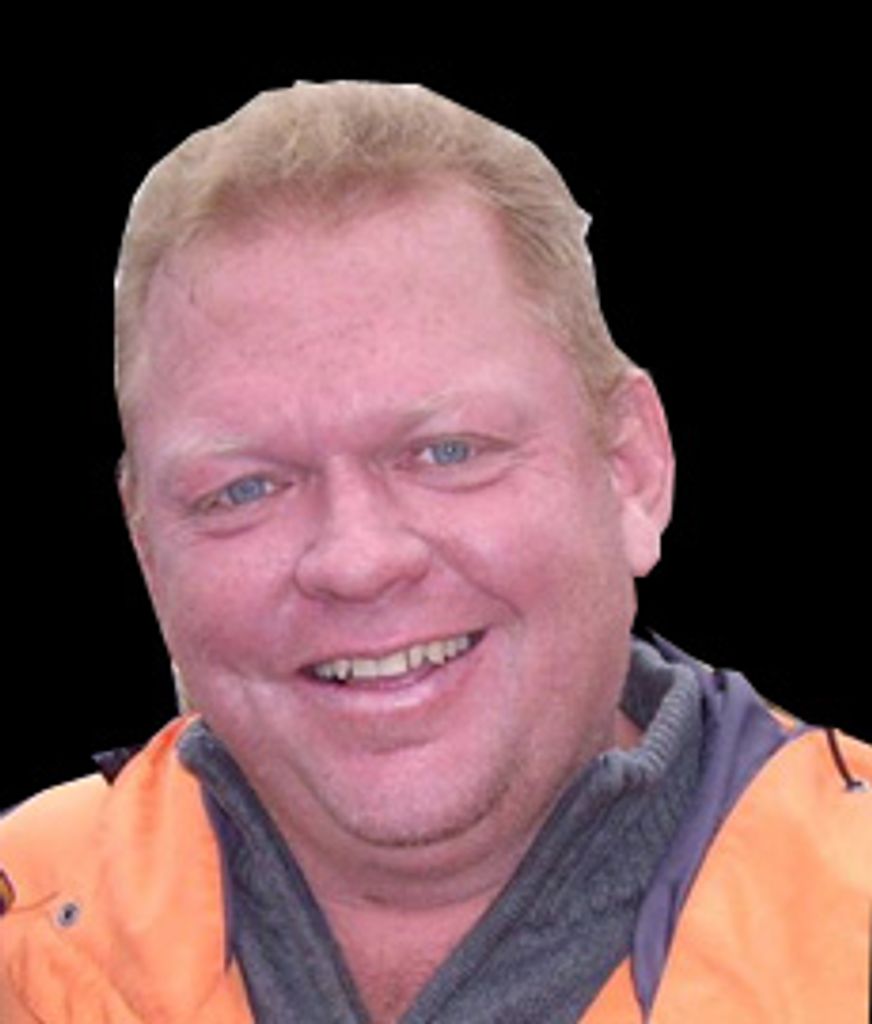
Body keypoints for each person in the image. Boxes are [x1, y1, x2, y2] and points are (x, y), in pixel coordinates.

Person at [1, 81, 869, 1024]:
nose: (357, 559)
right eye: (243, 489)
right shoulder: (22, 927)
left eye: (447, 452)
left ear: (630, 468)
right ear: (147, 551)